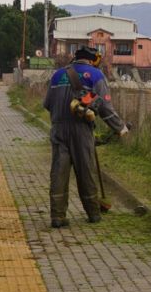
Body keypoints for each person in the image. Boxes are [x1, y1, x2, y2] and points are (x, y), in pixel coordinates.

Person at [45, 45, 128, 228]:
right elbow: (105, 107)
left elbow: (48, 103)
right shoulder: (96, 76)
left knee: (59, 172)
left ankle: (57, 216)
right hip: (81, 130)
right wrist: (120, 128)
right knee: (86, 171)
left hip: (58, 128)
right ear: (91, 60)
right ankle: (93, 213)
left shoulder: (58, 74)